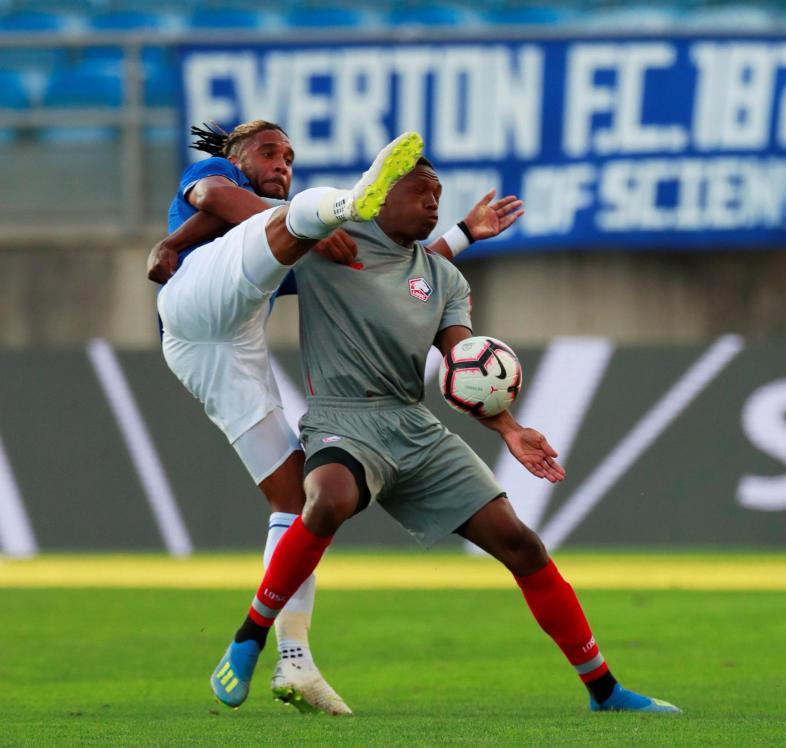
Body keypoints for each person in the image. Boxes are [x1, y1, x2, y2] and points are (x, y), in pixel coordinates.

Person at [208, 157, 682, 715]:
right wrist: (199, 237)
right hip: (343, 418)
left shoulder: (444, 279)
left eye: (439, 195)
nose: (434, 202)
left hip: (414, 426)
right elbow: (241, 214)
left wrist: (510, 426)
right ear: (381, 196)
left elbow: (465, 367)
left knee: (522, 544)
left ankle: (605, 690)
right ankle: (249, 638)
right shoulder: (332, 239)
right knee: (328, 498)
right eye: (422, 191)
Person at [153, 122, 523, 715]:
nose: (281, 162)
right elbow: (219, 203)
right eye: (269, 152)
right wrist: (322, 224)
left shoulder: (287, 232)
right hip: (192, 299)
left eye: (290, 156)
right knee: (300, 214)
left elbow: (388, 276)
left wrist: (461, 235)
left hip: (219, 350)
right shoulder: (216, 176)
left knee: (294, 501)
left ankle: (292, 658)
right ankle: (351, 199)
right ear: (237, 154)